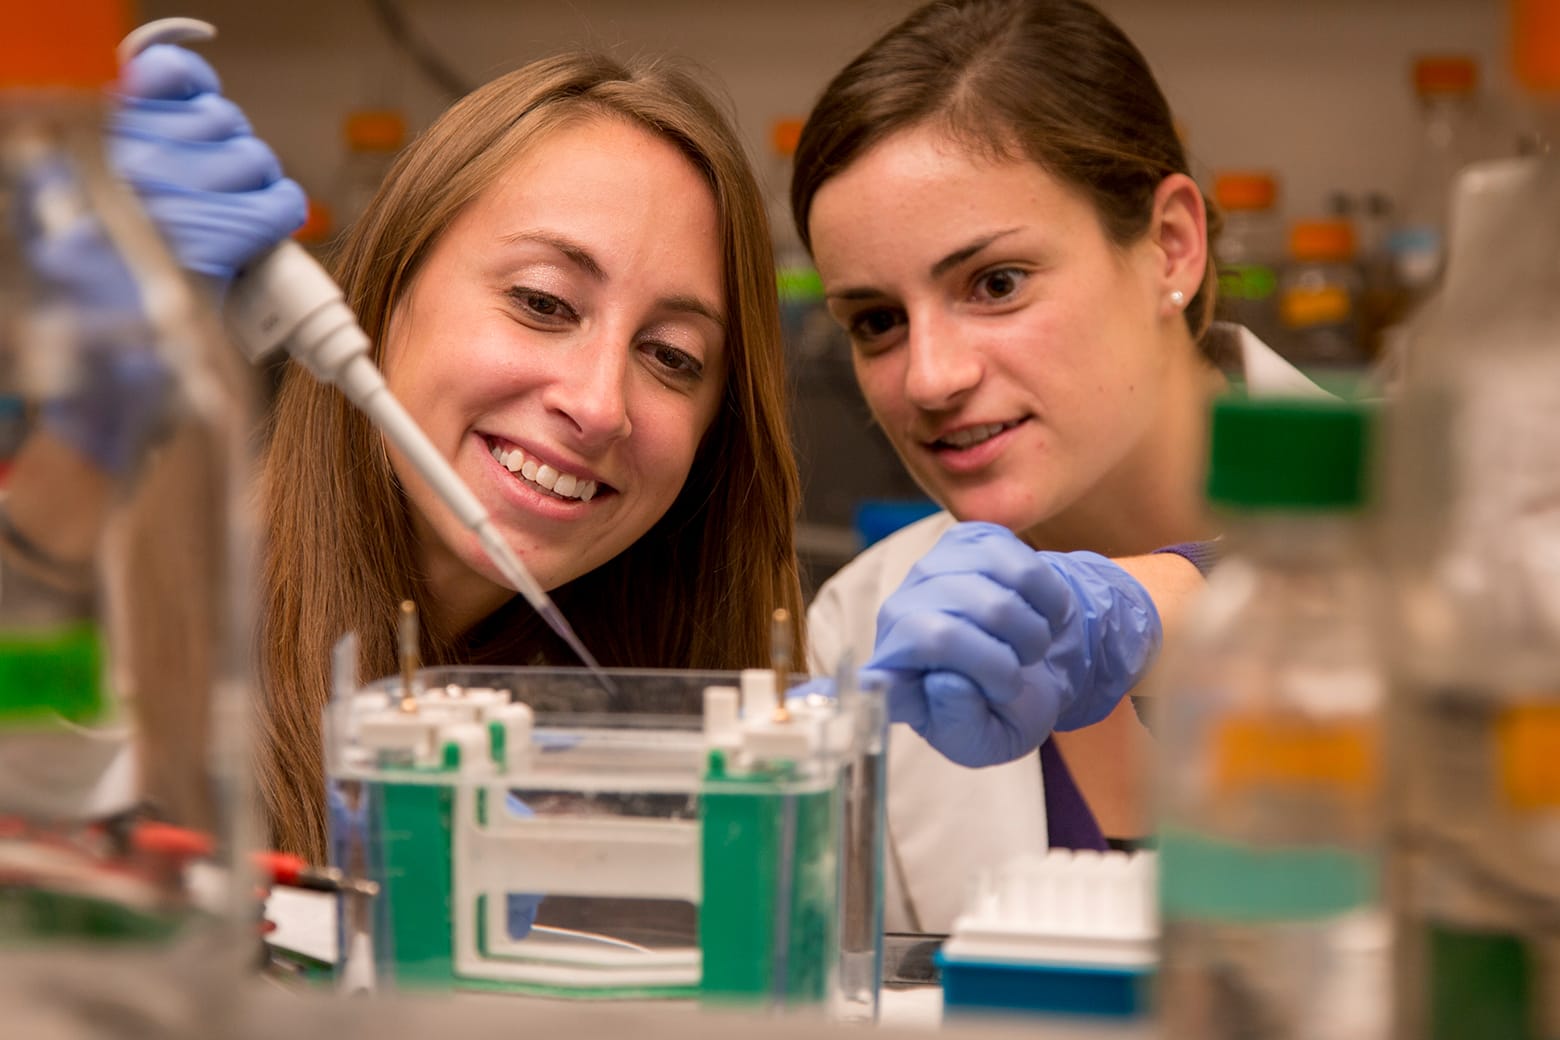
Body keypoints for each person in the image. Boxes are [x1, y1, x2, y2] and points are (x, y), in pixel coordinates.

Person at [110, 45, 804, 863]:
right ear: (382, 293)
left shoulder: (669, 701)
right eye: (542, 302)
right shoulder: (131, 628)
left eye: (672, 356)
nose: (597, 405)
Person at [791, 0, 1329, 932]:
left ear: (1172, 245)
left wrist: (1152, 615)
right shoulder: (867, 624)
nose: (930, 378)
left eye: (995, 283)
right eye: (876, 320)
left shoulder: (1462, 515)